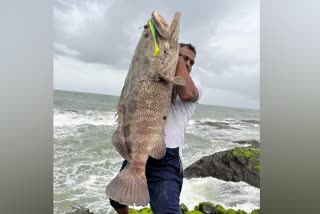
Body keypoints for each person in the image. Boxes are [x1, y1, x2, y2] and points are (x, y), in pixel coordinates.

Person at [109, 43, 201, 214]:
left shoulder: (194, 85)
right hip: (139, 149)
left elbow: (187, 94)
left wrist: (177, 57)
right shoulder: (155, 77)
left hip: (166, 159)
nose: (187, 63)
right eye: (183, 57)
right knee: (116, 199)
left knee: (167, 211)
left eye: (191, 61)